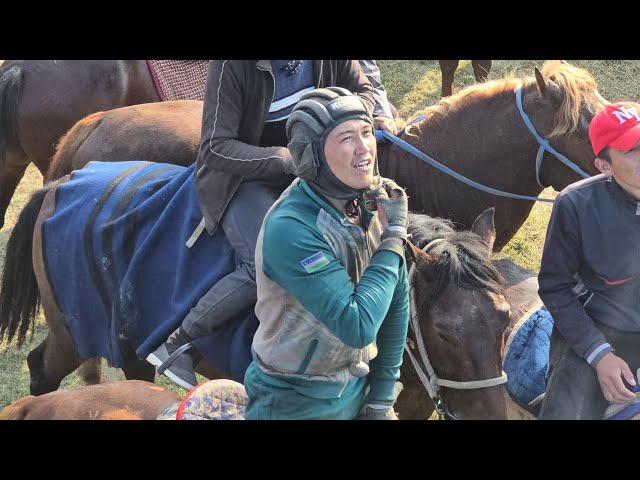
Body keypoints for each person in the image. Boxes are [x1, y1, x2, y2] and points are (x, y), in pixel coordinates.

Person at [146, 61, 390, 389]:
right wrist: (286, 159)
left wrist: (363, 118)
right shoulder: (232, 66)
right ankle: (179, 341)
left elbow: (365, 90)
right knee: (264, 258)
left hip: (322, 165)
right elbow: (216, 146)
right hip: (247, 177)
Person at [242, 87, 410, 420]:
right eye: (347, 138)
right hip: (296, 401)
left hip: (356, 388)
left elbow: (396, 298)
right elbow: (357, 324)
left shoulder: (374, 201)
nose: (364, 148)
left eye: (366, 132)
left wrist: (382, 395)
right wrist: (393, 238)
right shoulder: (290, 228)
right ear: (311, 156)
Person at [538, 101, 640, 419]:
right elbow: (555, 287)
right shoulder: (575, 205)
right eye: (631, 150)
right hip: (601, 332)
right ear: (604, 166)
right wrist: (599, 355)